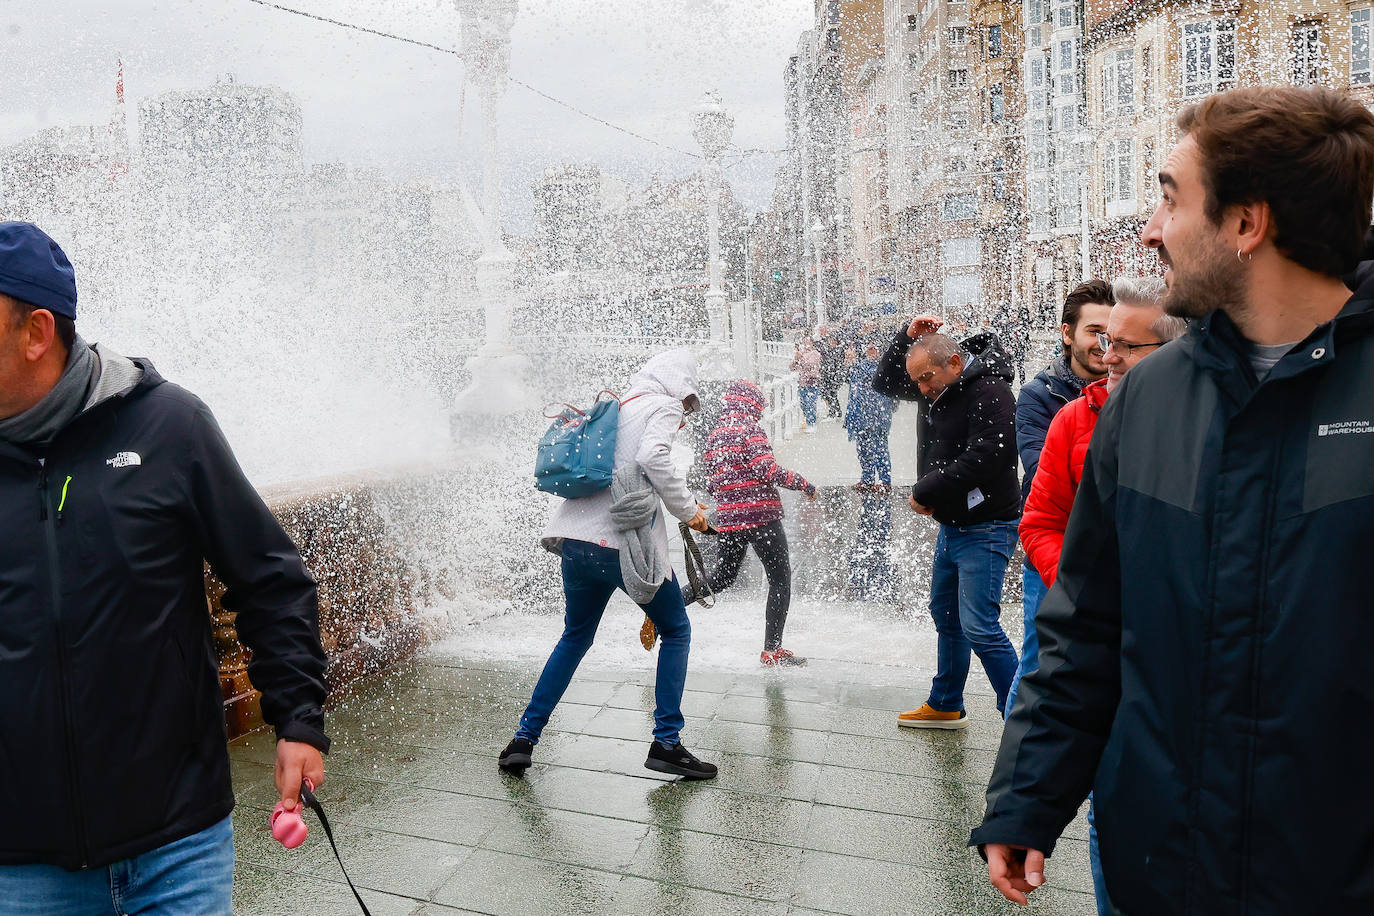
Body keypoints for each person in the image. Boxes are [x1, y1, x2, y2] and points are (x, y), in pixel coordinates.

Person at [972, 86, 1374, 913]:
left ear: (1245, 225)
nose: (1152, 230)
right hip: (1161, 865)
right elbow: (1085, 624)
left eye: (1169, 198)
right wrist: (1029, 795)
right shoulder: (1146, 400)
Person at [0, 222, 329, 914]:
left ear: (36, 333)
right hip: (21, 859)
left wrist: (297, 717)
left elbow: (268, 577)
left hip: (178, 842)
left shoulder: (169, 426)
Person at [1015, 276, 1186, 915]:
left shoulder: (1205, 422)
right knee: (1108, 797)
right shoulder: (1072, 417)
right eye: (1103, 340)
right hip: (1101, 637)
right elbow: (1039, 521)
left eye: (1124, 345)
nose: (1106, 355)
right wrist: (1086, 588)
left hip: (1173, 656)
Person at [501, 349, 718, 780]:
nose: (686, 412)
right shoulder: (663, 404)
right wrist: (690, 510)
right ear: (679, 385)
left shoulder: (620, 406)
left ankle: (522, 741)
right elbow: (653, 459)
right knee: (676, 630)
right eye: (688, 402)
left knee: (575, 637)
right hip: (621, 546)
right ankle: (667, 743)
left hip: (575, 541)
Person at [873, 317, 1021, 728]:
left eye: (926, 378)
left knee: (980, 626)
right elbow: (884, 382)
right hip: (954, 524)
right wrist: (905, 335)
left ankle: (1023, 716)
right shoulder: (937, 385)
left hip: (987, 524)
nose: (921, 389)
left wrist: (926, 490)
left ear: (955, 362)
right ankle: (945, 703)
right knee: (948, 614)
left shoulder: (991, 390)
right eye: (917, 380)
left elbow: (990, 455)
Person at [1004, 280, 1113, 719]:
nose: (1103, 345)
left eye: (1111, 333)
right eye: (1093, 331)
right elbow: (1039, 469)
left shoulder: (1132, 385)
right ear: (1067, 333)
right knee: (1038, 664)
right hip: (1053, 551)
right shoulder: (1039, 395)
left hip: (1111, 558)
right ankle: (1016, 763)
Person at [681, 379, 817, 666]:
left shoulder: (716, 435)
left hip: (731, 520)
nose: (762, 408)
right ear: (752, 403)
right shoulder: (750, 429)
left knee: (721, 577)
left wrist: (732, 502)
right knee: (780, 578)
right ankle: (772, 650)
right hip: (761, 517)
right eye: (760, 403)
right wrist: (803, 484)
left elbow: (712, 482)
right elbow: (767, 469)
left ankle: (665, 608)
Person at [844, 340, 895, 492]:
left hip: (878, 416)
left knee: (880, 449)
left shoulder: (883, 367)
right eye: (869, 349)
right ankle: (867, 479)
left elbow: (875, 384)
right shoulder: (860, 366)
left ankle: (885, 481)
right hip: (860, 416)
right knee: (863, 449)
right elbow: (852, 388)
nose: (871, 352)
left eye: (874, 349)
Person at [790, 337, 823, 433]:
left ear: (812, 343)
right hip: (802, 383)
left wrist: (801, 357)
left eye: (807, 342)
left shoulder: (815, 353)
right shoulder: (801, 353)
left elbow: (810, 364)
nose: (805, 344)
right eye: (804, 342)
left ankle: (811, 423)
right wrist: (795, 360)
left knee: (811, 403)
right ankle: (809, 418)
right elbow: (792, 367)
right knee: (803, 404)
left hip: (812, 381)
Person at [817, 331, 846, 419]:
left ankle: (833, 412)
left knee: (831, 393)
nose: (830, 342)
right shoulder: (829, 350)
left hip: (834, 376)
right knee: (828, 394)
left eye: (832, 340)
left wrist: (835, 373)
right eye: (830, 340)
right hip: (827, 375)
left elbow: (837, 363)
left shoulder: (838, 350)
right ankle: (835, 411)